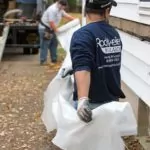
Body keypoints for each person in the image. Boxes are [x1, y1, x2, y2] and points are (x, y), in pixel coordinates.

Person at [70, 0, 125, 123]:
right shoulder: (113, 33)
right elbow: (101, 59)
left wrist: (82, 100)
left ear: (86, 11)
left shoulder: (82, 34)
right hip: (112, 101)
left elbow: (83, 67)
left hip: (91, 106)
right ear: (106, 11)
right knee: (107, 140)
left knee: (87, 142)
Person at [39, 0, 74, 65]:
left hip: (52, 29)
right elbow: (51, 22)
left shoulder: (60, 9)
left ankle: (54, 59)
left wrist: (75, 20)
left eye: (64, 8)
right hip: (45, 29)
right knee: (45, 45)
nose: (63, 8)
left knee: (54, 44)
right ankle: (43, 61)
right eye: (63, 7)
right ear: (59, 4)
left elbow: (66, 16)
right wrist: (57, 31)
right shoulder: (52, 9)